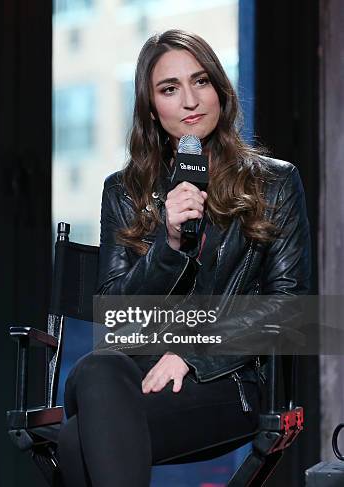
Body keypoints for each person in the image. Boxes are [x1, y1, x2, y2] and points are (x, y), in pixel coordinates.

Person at [57, 29, 311, 487]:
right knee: (97, 367)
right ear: (152, 108)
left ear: (220, 88)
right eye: (169, 89)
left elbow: (290, 308)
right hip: (132, 372)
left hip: (229, 380)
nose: (190, 100)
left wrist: (194, 352)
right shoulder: (124, 190)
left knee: (75, 443)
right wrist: (169, 245)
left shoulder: (275, 183)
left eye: (201, 81)